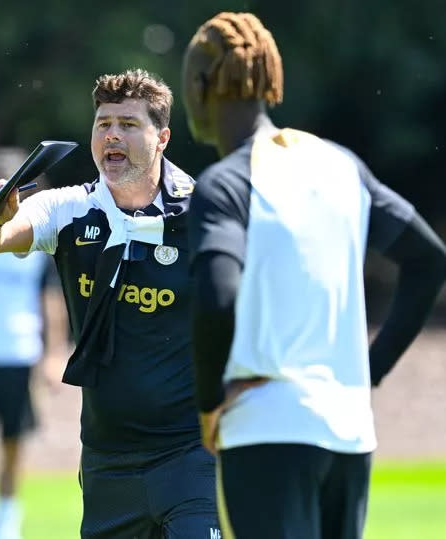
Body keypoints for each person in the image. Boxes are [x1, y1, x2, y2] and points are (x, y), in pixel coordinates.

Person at [183, 12, 446, 539]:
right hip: (348, 433)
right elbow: (429, 259)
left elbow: (217, 298)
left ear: (200, 86)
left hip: (264, 430)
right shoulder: (340, 165)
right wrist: (368, 371)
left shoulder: (224, 184)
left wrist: (209, 402)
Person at [0, 70, 221, 538]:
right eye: (103, 124)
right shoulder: (68, 207)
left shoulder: (207, 211)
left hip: (192, 455)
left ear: (161, 137)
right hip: (108, 462)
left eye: (128, 124)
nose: (112, 135)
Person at [0, 148, 70, 539]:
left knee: (14, 447)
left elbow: (50, 303)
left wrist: (54, 356)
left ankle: (7, 526)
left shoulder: (37, 242)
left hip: (21, 357)